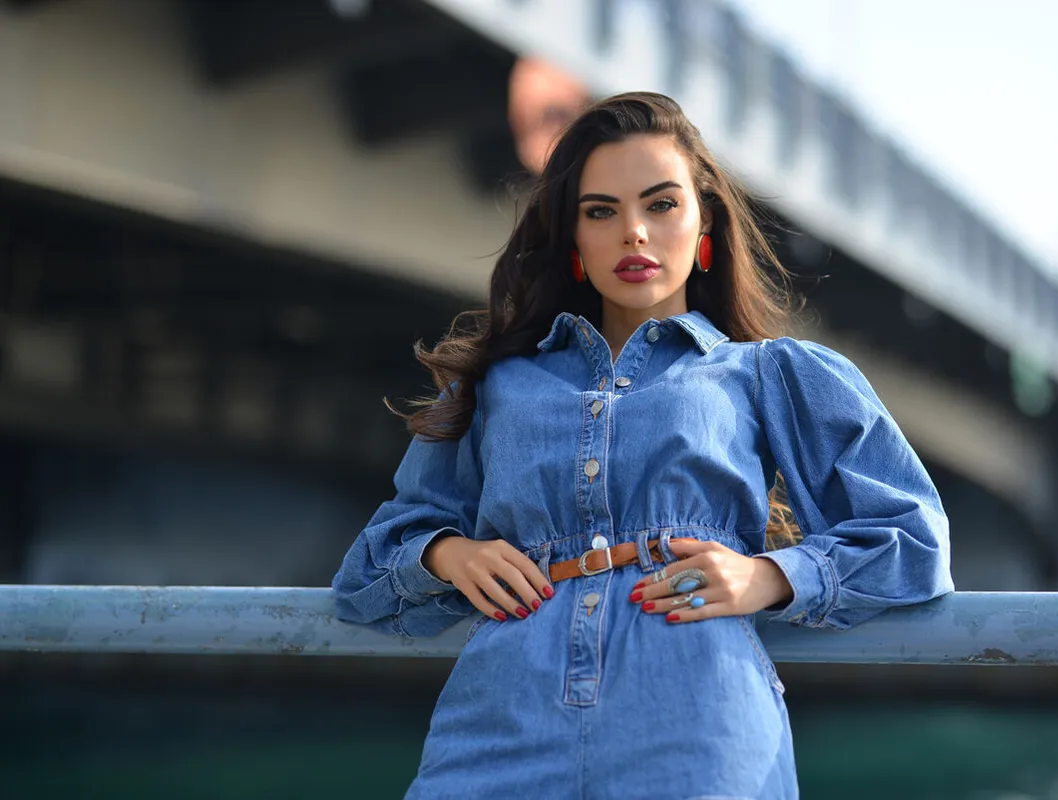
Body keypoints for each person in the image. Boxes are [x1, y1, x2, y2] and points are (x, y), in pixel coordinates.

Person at [332, 91, 953, 799]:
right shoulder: (497, 384)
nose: (633, 233)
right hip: (500, 722)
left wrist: (773, 576)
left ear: (704, 223)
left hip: (698, 728)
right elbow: (368, 573)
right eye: (601, 211)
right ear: (572, 238)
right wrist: (449, 554)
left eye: (660, 205)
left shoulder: (767, 373)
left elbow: (913, 537)